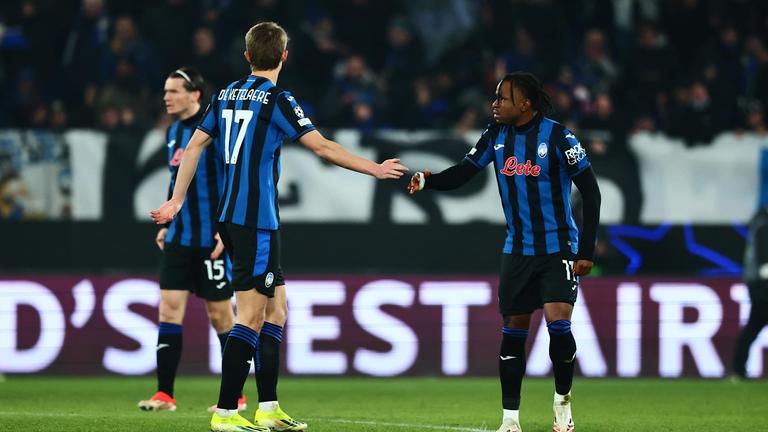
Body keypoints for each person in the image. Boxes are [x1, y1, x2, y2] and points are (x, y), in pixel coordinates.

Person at [150, 22, 408, 432]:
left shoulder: (227, 93)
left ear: (247, 55)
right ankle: (225, 413)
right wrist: (373, 169)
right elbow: (322, 147)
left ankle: (268, 407)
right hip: (257, 221)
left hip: (231, 217)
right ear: (284, 57)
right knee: (250, 317)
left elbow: (196, 145)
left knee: (277, 310)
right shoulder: (278, 100)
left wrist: (177, 199)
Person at [408, 72, 601, 432]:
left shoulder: (559, 137)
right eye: (495, 98)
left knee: (559, 326)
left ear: (525, 104)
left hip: (558, 247)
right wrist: (429, 179)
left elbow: (591, 192)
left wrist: (585, 250)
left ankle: (563, 405)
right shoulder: (495, 136)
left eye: (503, 98)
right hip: (517, 250)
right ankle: (510, 420)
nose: (495, 104)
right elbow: (465, 172)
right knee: (513, 331)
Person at [138, 67, 244, 413]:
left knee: (220, 316)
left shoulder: (216, 129)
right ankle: (165, 395)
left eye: (174, 91)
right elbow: (175, 181)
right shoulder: (174, 131)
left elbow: (233, 181)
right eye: (165, 91)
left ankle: (236, 396)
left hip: (211, 239)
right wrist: (168, 220)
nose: (166, 97)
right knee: (168, 309)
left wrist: (224, 229)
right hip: (180, 237)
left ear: (194, 94)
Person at [733, 206, 768, 379]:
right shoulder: (764, 225)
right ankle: (738, 369)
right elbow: (764, 263)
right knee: (753, 328)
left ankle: (738, 369)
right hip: (763, 287)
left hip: (758, 286)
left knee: (753, 328)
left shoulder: (759, 223)